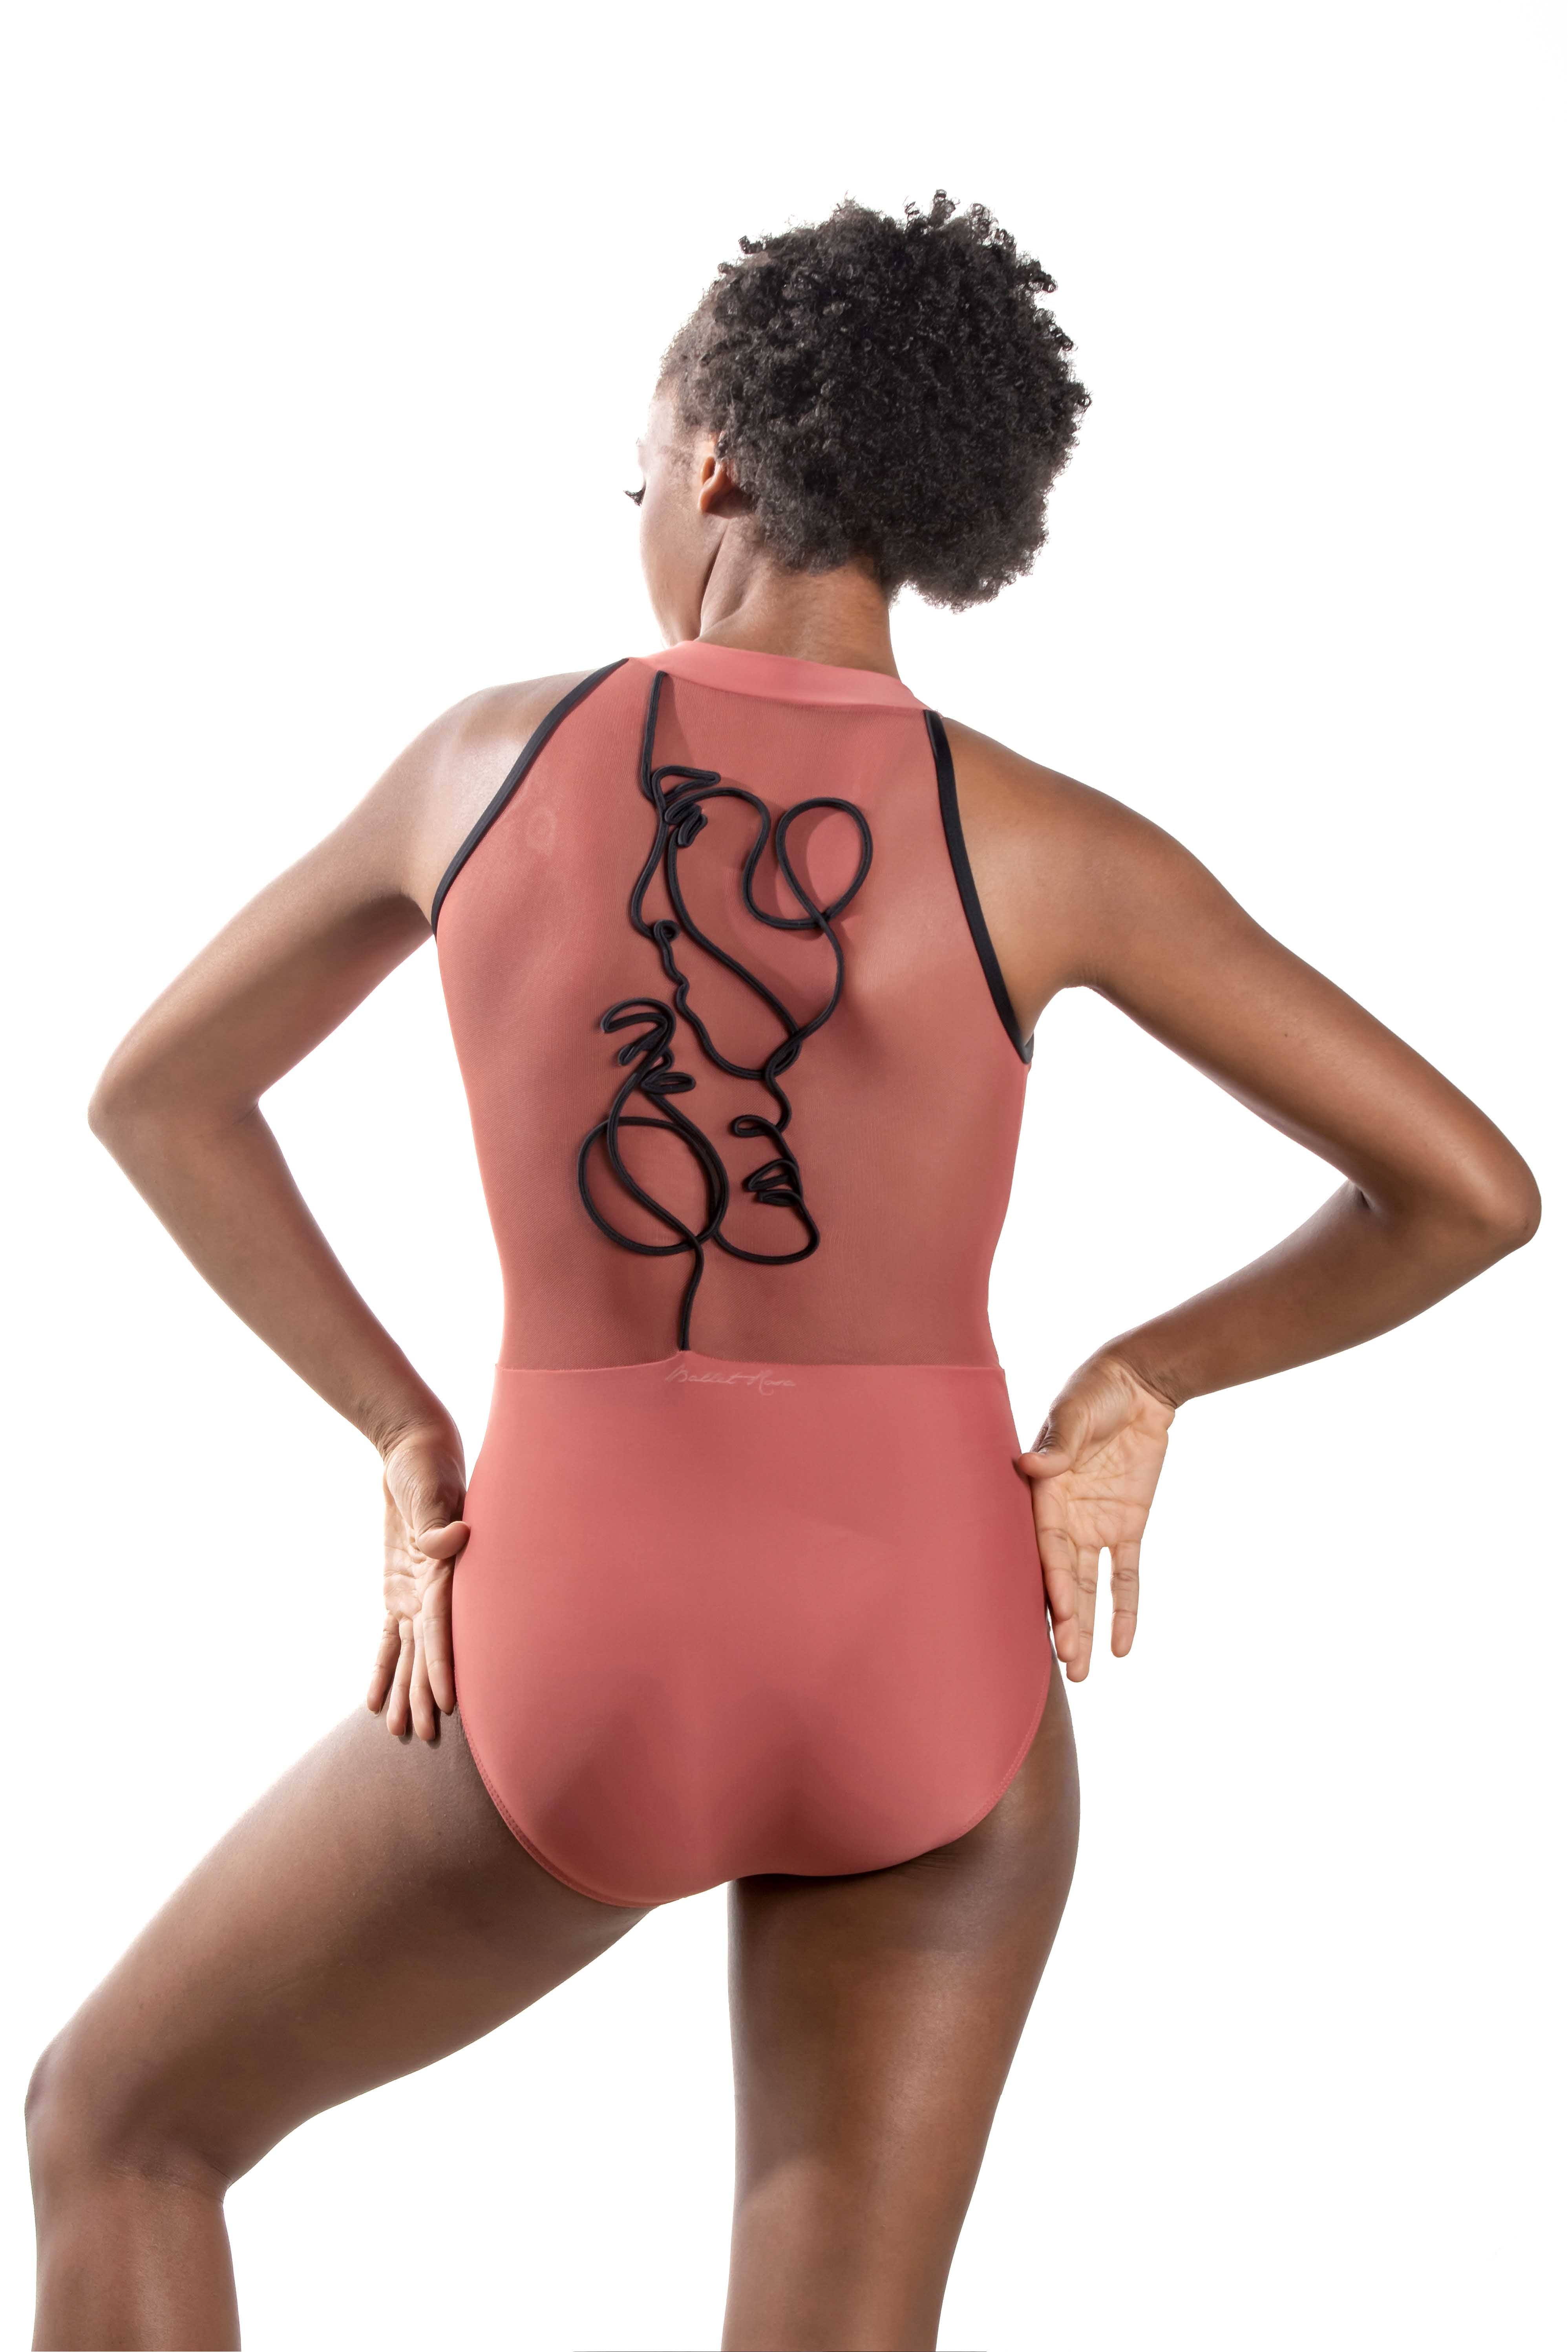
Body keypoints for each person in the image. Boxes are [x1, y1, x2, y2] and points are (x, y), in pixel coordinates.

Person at [26, 193, 1538, 2352]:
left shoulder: (484, 769)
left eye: (639, 460)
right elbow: (1469, 1191)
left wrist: (403, 1429)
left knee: (122, 2127)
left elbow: (159, 1098)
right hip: (933, 1653)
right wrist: (1144, 1374)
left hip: (576, 1642)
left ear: (718, 462)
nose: (638, 504)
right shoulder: (1050, 841)